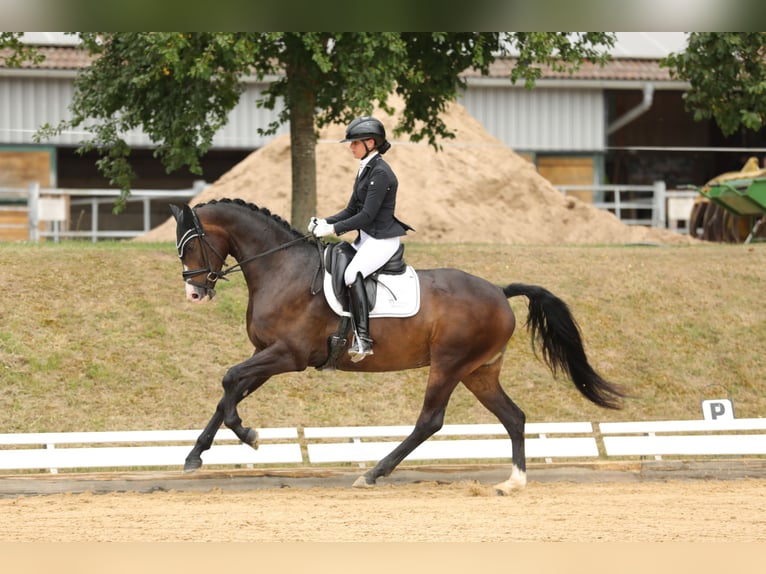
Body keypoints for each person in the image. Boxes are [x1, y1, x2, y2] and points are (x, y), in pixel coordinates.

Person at [309, 116, 412, 362]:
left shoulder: (381, 173)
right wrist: (326, 222)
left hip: (381, 240)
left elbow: (366, 215)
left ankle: (363, 338)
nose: (350, 146)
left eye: (355, 142)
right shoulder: (366, 168)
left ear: (371, 142)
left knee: (351, 274)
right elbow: (351, 209)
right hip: (367, 238)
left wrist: (334, 230)